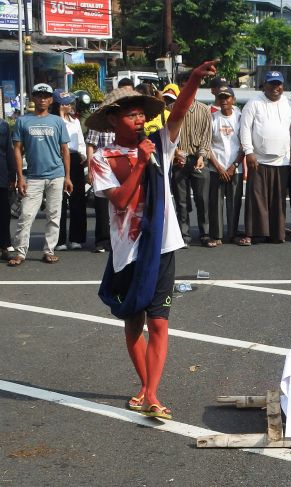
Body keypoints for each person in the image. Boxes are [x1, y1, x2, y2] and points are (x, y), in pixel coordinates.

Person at [86, 60, 218, 420]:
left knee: (159, 321)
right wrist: (142, 163)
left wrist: (192, 79)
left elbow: (180, 110)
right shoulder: (101, 158)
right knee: (133, 320)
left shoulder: (160, 144)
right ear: (113, 121)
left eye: (141, 115)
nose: (140, 121)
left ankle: (152, 394)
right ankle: (146, 387)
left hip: (162, 244)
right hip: (127, 250)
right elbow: (121, 201)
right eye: (131, 116)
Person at [8, 83, 72, 266]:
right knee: (26, 215)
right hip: (33, 177)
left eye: (46, 96)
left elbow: (65, 150)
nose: (43, 98)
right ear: (33, 98)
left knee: (54, 215)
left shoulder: (58, 121)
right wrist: (20, 176)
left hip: (56, 175)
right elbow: (17, 150)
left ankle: (49, 250)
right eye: (39, 95)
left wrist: (67, 176)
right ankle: (20, 253)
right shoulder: (22, 121)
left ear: (51, 100)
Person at [240, 71, 291, 245]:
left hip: (282, 159)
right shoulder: (253, 103)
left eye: (278, 84)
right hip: (258, 158)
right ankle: (255, 233)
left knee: (278, 199)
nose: (275, 88)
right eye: (271, 84)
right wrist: (249, 152)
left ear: (283, 86)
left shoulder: (288, 105)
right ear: (264, 85)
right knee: (257, 198)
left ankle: (276, 233)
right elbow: (245, 129)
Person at [171, 70, 213, 247]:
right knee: (181, 200)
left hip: (198, 158)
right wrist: (175, 153)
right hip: (178, 159)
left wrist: (202, 156)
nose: (186, 88)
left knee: (202, 198)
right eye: (183, 85)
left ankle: (205, 233)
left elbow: (207, 136)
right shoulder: (171, 109)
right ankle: (184, 234)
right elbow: (166, 135)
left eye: (190, 85)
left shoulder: (204, 110)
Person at [51, 90, 87, 251]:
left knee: (77, 199)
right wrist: (59, 114)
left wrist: (83, 156)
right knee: (58, 200)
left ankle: (76, 238)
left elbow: (80, 142)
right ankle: (59, 239)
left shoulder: (75, 121)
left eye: (71, 103)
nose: (70, 106)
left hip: (74, 159)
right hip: (57, 158)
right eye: (66, 103)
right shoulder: (53, 121)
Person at [209, 87, 245, 245]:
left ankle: (232, 234)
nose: (224, 101)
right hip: (216, 168)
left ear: (233, 100)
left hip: (235, 168)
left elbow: (245, 144)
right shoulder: (213, 118)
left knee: (234, 202)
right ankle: (216, 235)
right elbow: (207, 145)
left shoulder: (240, 118)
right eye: (221, 97)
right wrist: (218, 167)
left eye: (227, 98)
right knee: (216, 203)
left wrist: (233, 166)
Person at [86, 129, 115, 252]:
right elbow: (90, 146)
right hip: (101, 167)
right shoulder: (97, 125)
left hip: (118, 166)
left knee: (119, 206)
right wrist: (90, 169)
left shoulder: (122, 121)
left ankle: (116, 240)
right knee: (102, 206)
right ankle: (102, 241)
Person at [0, 117, 14, 261]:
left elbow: (9, 151)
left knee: (3, 213)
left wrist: (13, 175)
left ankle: (5, 244)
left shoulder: (3, 125)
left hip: (2, 175)